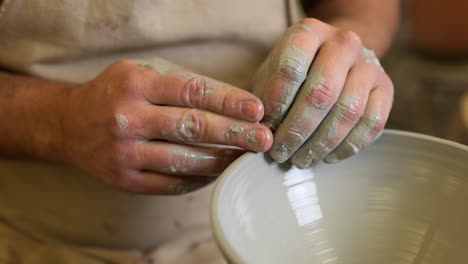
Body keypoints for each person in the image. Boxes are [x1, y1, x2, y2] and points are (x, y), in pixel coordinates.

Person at [0, 0, 399, 263]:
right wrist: (57, 121)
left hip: (283, 229)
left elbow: (363, 8)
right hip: (47, 239)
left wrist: (347, 49)